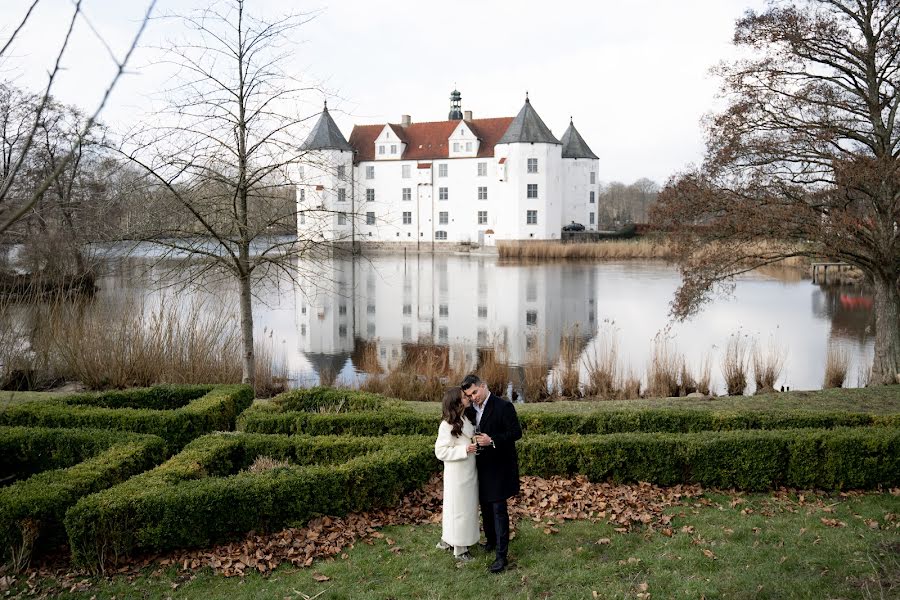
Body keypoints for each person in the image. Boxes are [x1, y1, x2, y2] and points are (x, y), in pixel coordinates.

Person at [460, 373, 522, 574]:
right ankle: (491, 542)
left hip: (499, 467)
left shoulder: (504, 406)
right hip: (479, 467)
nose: (473, 397)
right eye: (469, 395)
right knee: (485, 508)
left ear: (483, 386)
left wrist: (492, 440)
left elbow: (516, 433)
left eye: (475, 392)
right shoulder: (470, 410)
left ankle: (501, 557)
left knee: (498, 511)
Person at [434, 387, 480, 562]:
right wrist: (464, 449)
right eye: (464, 396)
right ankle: (459, 549)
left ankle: (449, 539)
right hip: (457, 475)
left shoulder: (464, 419)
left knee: (466, 508)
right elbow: (440, 451)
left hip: (469, 472)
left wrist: (474, 442)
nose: (468, 397)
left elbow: (467, 439)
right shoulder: (446, 425)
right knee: (458, 510)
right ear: (456, 402)